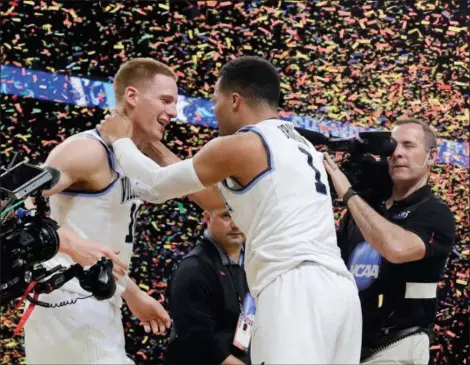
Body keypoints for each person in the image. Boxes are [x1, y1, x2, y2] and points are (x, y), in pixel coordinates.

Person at [98, 55, 362, 364]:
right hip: (340, 292)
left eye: (216, 101)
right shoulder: (299, 143)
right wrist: (153, 147)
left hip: (295, 289)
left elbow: (155, 187)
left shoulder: (241, 144)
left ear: (235, 100)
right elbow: (214, 200)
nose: (215, 112)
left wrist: (120, 140)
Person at [23, 58, 189, 364]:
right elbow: (20, 202)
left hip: (96, 303)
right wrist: (72, 244)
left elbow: (101, 239)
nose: (173, 112)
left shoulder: (129, 157)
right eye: (165, 100)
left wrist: (132, 293)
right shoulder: (87, 150)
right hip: (67, 302)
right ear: (132, 96)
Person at [324, 118, 456, 364]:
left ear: (432, 156)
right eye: (393, 146)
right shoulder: (363, 211)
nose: (398, 153)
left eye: (409, 145)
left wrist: (349, 194)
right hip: (349, 342)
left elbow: (395, 248)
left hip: (399, 346)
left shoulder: (435, 213)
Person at [165, 207, 250, 365]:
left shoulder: (254, 263)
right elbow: (197, 342)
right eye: (226, 216)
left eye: (240, 214)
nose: (236, 224)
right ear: (207, 218)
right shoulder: (193, 269)